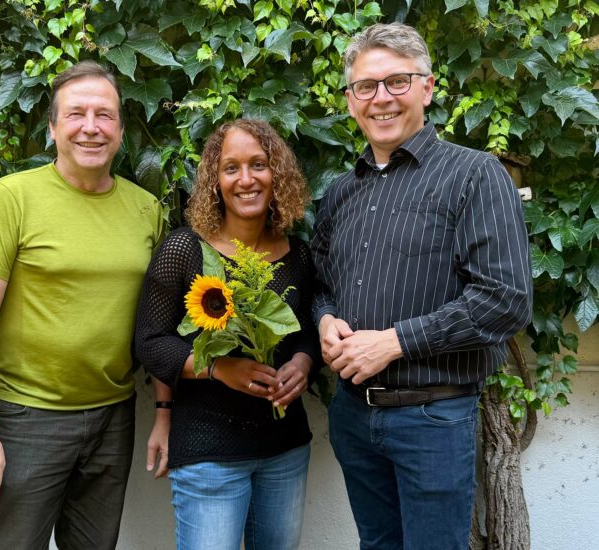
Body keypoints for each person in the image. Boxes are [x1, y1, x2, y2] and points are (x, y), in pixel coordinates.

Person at [312, 23, 532, 549]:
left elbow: (505, 300)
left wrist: (394, 342)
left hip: (433, 418)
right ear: (350, 99)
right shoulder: (341, 192)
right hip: (353, 415)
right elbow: (319, 278)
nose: (381, 98)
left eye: (397, 81)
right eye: (366, 86)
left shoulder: (475, 175)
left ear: (427, 88)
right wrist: (324, 317)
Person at [0, 61, 163, 549]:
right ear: (51, 128)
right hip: (27, 418)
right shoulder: (11, 199)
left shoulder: (146, 209)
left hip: (113, 417)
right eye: (75, 114)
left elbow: (158, 321)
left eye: (104, 115)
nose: (91, 127)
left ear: (121, 131)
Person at [136, 119, 319, 550]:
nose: (246, 179)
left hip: (285, 449)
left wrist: (303, 362)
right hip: (209, 450)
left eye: (258, 165)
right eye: (231, 168)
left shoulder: (298, 254)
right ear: (214, 182)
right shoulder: (184, 250)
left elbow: (308, 330)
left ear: (277, 175)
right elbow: (150, 341)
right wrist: (218, 368)